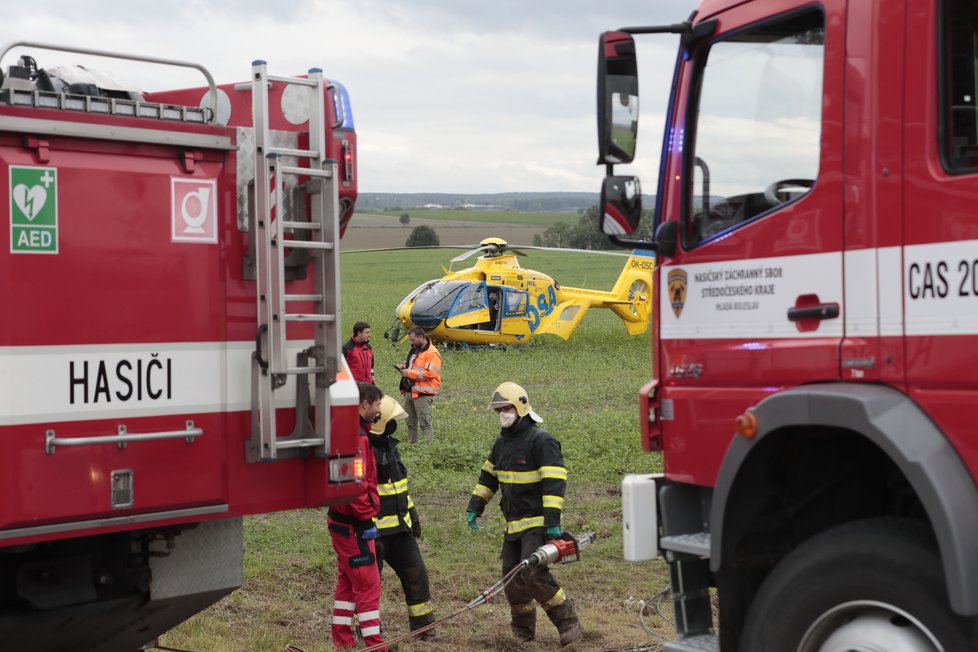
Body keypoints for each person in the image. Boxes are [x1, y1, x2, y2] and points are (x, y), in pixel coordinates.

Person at [465, 382, 582, 649]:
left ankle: (568, 624)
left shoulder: (542, 441)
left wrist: (553, 524)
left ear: (520, 406)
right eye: (498, 410)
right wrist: (475, 506)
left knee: (533, 574)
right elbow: (488, 478)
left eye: (505, 408)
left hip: (538, 523)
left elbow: (554, 485)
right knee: (511, 577)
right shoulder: (502, 443)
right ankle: (522, 631)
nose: (502, 413)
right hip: (514, 524)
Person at [368, 395, 436, 638]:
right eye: (391, 420)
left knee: (416, 574)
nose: (395, 424)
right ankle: (367, 630)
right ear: (379, 422)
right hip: (373, 533)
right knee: (369, 586)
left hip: (399, 530)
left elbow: (398, 488)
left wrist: (412, 513)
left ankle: (424, 627)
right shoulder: (362, 452)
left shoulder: (390, 448)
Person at [327, 382, 386, 651]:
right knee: (368, 586)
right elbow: (356, 486)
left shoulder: (344, 432)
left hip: (340, 522)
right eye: (377, 406)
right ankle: (374, 645)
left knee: (348, 583)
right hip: (354, 527)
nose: (379, 411)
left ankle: (342, 640)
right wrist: (366, 519)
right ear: (364, 404)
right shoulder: (358, 439)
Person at [397, 326, 442, 444]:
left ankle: (428, 449)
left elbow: (431, 373)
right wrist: (404, 366)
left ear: (421, 337)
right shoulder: (415, 349)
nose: (411, 343)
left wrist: (408, 373)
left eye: (412, 340)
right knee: (410, 423)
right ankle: (413, 447)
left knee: (425, 424)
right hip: (409, 391)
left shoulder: (432, 353)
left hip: (422, 394)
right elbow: (414, 365)